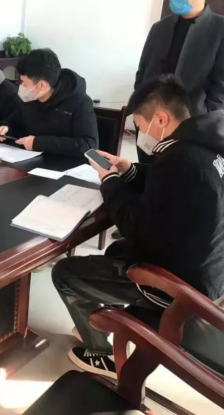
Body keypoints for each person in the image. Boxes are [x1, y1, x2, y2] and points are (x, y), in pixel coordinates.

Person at [52, 75, 224, 378]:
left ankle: (101, 354)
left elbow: (135, 225)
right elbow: (169, 188)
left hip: (181, 287)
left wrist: (109, 181)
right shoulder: (203, 146)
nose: (142, 135)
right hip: (211, 272)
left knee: (65, 273)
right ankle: (99, 323)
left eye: (141, 127)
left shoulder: (179, 160)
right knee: (114, 252)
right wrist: (129, 169)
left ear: (161, 118)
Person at [134, 0, 224, 162]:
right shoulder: (159, 28)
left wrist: (203, 116)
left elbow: (221, 87)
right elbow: (142, 72)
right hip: (151, 123)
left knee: (180, 172)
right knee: (147, 171)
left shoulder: (220, 29)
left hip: (193, 127)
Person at [0, 49, 98, 157]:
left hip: (64, 163)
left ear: (41, 85)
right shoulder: (30, 99)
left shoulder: (80, 102)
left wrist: (38, 143)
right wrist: (5, 128)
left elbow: (89, 145)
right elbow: (14, 121)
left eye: (24, 83)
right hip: (30, 159)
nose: (21, 87)